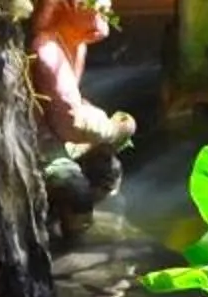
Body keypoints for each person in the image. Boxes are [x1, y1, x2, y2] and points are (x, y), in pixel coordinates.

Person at [29, 0, 132, 215]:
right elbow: (70, 124)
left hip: (65, 137)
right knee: (76, 194)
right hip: (42, 148)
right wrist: (114, 129)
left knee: (107, 166)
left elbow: (71, 105)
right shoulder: (47, 50)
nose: (105, 8)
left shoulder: (76, 44)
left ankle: (108, 212)